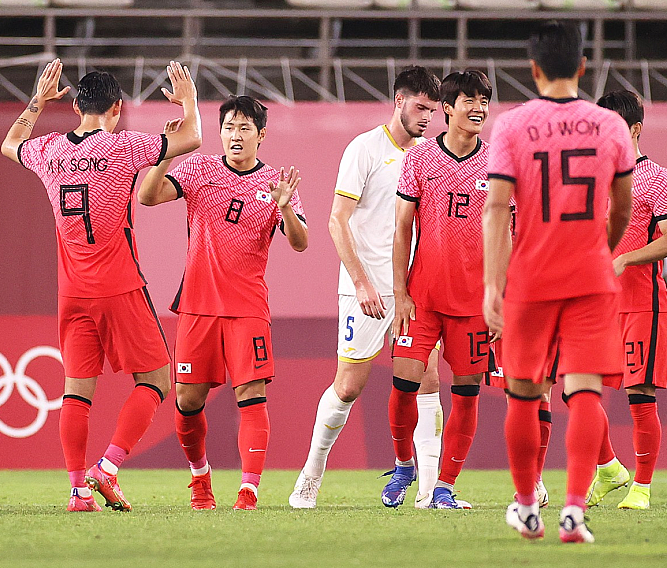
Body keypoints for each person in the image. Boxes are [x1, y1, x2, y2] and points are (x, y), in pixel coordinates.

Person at [1, 59, 202, 512]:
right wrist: (187, 100)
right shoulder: (122, 147)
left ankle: (77, 491)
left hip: (72, 293)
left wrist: (37, 99)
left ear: (74, 106)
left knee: (76, 391)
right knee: (155, 379)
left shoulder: (50, 149)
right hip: (119, 284)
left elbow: (10, 143)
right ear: (117, 108)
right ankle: (107, 469)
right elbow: (192, 138)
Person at [483, 21, 634, 543]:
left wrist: (491, 285)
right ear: (583, 67)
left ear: (534, 68)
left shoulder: (511, 125)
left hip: (530, 277)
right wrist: (601, 250)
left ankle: (528, 508)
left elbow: (497, 206)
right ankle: (573, 510)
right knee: (587, 389)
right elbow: (622, 208)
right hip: (591, 274)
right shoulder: (611, 126)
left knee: (523, 394)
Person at [138, 95, 308, 511]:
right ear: (221, 132)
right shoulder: (200, 169)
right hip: (197, 306)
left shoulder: (275, 184)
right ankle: (200, 481)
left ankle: (248, 491)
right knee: (187, 402)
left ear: (261, 136)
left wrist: (285, 208)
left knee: (251, 395)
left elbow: (301, 244)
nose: (236, 135)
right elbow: (147, 195)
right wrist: (164, 151)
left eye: (245, 128)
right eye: (230, 127)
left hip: (248, 307)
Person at [289, 66, 441, 510]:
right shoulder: (365, 149)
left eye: (433, 110)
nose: (427, 117)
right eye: (420, 107)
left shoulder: (431, 155)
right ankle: (310, 477)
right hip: (366, 289)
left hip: (413, 292)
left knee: (429, 381)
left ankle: (432, 492)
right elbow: (336, 220)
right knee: (349, 386)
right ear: (398, 101)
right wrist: (361, 282)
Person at [384, 69, 494, 510]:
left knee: (466, 394)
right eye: (469, 99)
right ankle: (404, 463)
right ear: (447, 108)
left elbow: (514, 235)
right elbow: (401, 230)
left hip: (474, 305)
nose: (478, 108)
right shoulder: (421, 158)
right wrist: (400, 294)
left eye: (484, 100)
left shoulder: (499, 164)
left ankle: (445, 486)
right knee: (402, 386)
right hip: (423, 299)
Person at [585, 90, 667, 510]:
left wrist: (625, 260)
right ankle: (609, 468)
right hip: (595, 303)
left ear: (634, 129)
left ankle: (643, 486)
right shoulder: (591, 179)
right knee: (578, 390)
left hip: (641, 301)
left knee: (640, 395)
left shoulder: (657, 179)